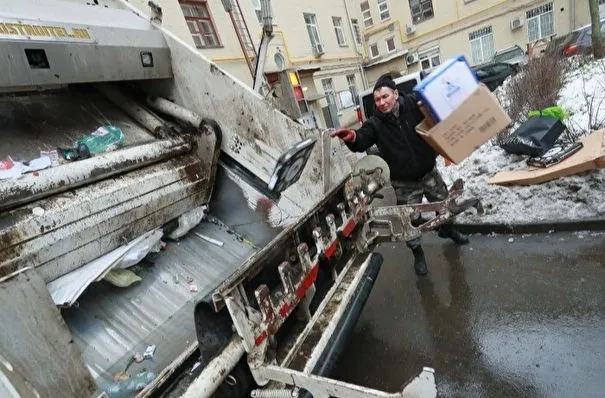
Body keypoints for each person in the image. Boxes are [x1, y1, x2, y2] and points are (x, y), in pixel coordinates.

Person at [331, 73, 469, 276]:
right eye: (377, 99)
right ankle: (418, 254)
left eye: (385, 97)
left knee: (445, 205)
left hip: (428, 173)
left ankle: (449, 231)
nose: (381, 102)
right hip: (404, 183)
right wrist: (351, 136)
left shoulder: (414, 104)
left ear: (395, 94)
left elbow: (436, 109)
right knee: (409, 222)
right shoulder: (376, 123)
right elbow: (361, 138)